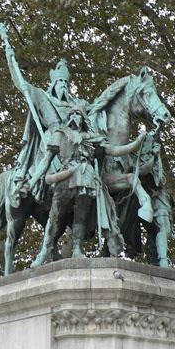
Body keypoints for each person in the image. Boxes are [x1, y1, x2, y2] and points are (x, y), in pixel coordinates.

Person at [28, 105, 146, 267]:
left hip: (87, 179)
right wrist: (33, 180)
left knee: (80, 218)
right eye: (73, 114)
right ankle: (44, 251)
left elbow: (114, 150)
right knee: (55, 215)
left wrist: (137, 143)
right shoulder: (60, 135)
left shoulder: (93, 138)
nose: (75, 116)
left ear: (84, 119)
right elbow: (46, 160)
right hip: (65, 177)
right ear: (68, 117)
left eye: (79, 114)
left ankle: (77, 249)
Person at [0, 20, 88, 205]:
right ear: (54, 84)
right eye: (60, 82)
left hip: (76, 141)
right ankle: (29, 183)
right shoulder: (42, 96)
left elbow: (92, 114)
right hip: (52, 137)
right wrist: (9, 56)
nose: (64, 86)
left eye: (66, 83)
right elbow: (21, 85)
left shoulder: (78, 103)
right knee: (48, 153)